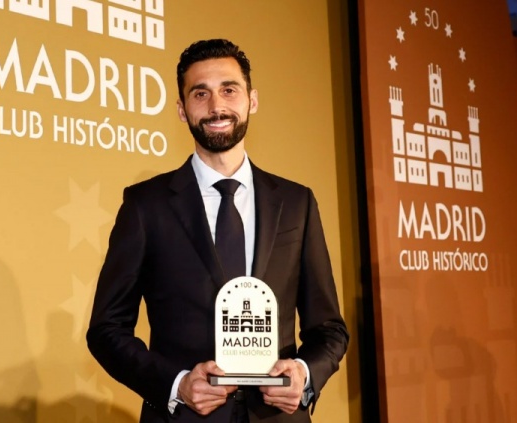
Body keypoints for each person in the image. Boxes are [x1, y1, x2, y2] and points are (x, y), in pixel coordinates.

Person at [87, 39, 349, 423]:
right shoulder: (146, 205)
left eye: (229, 90)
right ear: (182, 109)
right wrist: (176, 385)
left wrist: (304, 374)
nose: (216, 106)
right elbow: (106, 329)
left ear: (251, 100)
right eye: (200, 93)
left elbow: (329, 329)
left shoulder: (297, 203)